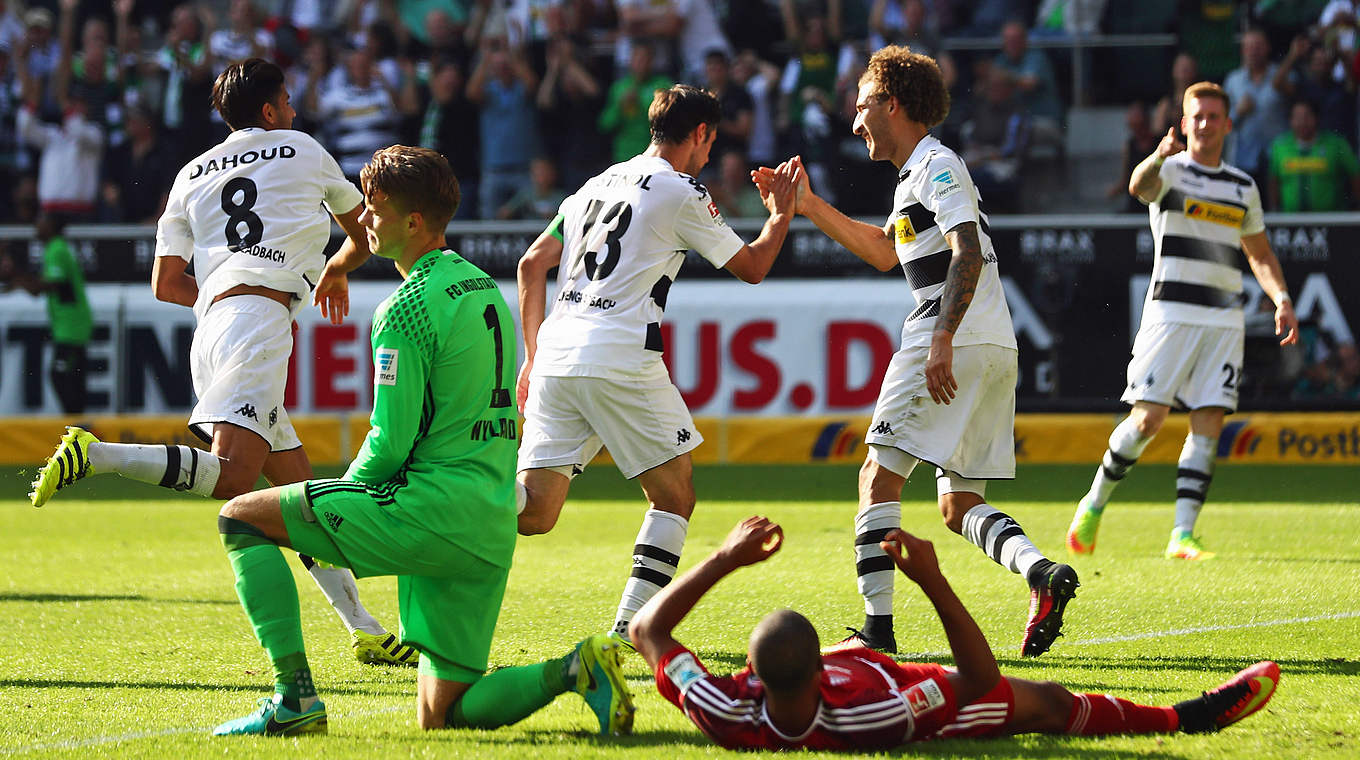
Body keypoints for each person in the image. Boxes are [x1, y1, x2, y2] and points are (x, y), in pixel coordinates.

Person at [212, 145, 633, 737]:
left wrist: (336, 507)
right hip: (489, 518)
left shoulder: (404, 309)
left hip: (431, 510)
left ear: (412, 222)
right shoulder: (482, 286)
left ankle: (293, 701)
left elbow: (389, 442)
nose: (362, 221)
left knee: (241, 518)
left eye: (375, 209)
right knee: (445, 716)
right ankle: (575, 668)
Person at [28, 58, 412, 668]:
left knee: (296, 485)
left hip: (212, 326)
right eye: (286, 100)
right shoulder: (303, 149)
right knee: (233, 478)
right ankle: (96, 453)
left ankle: (363, 626)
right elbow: (363, 227)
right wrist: (332, 270)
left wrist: (224, 296)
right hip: (257, 323)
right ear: (269, 111)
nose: (292, 110)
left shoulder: (189, 173)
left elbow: (164, 282)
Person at [754, 45, 1075, 657]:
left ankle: (876, 634)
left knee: (877, 478)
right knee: (958, 505)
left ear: (892, 104)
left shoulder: (938, 165)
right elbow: (882, 251)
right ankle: (1041, 574)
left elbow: (968, 250)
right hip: (990, 343)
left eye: (862, 105)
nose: (855, 122)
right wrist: (807, 205)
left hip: (949, 336)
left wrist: (942, 339)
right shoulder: (916, 175)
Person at [516, 84, 800, 643]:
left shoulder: (593, 185)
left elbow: (531, 265)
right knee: (675, 495)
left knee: (533, 512)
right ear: (699, 135)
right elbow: (753, 267)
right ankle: (631, 630)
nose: (709, 155)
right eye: (710, 143)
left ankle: (440, 507)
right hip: (618, 353)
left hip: (555, 354)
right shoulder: (682, 192)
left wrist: (530, 359)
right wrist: (780, 215)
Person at [628, 515, 1280, 750]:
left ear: (751, 675)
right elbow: (977, 681)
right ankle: (1184, 719)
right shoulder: (871, 716)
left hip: (853, 670)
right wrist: (932, 579)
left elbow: (647, 628)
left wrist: (723, 559)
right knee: (1048, 703)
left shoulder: (724, 708)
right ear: (822, 669)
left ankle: (1179, 719)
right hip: (906, 691)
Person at [1067, 82, 1299, 561]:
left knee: (1209, 419)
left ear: (1227, 124)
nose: (1205, 124)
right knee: (1148, 420)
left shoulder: (1242, 186)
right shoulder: (1169, 171)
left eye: (1214, 116)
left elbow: (1259, 252)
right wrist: (1156, 156)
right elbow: (1139, 187)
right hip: (1171, 314)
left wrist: (1280, 296)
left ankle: (1182, 534)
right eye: (1197, 116)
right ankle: (1093, 504)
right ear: (1185, 120)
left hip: (1223, 317)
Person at [0, 213, 90, 413]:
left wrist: (17, 280)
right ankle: (77, 422)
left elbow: (49, 285)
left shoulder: (56, 249)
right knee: (73, 375)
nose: (37, 224)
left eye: (42, 220)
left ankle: (74, 422)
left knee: (59, 375)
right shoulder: (54, 248)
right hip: (69, 324)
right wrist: (18, 282)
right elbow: (43, 286)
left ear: (52, 225)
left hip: (72, 325)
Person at [1267, 98, 1360, 212]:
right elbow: (1273, 181)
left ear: (1317, 118)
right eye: (1297, 117)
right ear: (1290, 120)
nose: (1302, 122)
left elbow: (1355, 175)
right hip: (1290, 221)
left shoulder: (1336, 144)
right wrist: (1274, 210)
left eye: (1307, 116)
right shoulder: (1279, 146)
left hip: (1332, 221)